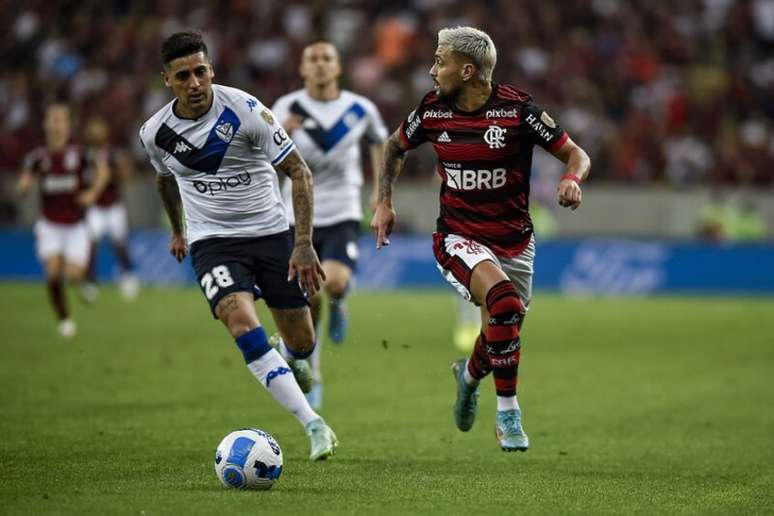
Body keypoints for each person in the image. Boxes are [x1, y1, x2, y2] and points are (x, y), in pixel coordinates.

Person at [371, 26, 591, 452]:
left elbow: (576, 154)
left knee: (502, 331)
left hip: (515, 240)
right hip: (458, 236)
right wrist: (383, 202)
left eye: (441, 62)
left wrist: (571, 179)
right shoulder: (432, 111)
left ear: (468, 70)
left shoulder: (518, 112)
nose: (433, 71)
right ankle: (508, 413)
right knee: (504, 303)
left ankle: (468, 377)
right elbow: (393, 147)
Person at [138, 31, 337, 461]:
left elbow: (299, 172)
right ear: (167, 81)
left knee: (302, 342)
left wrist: (302, 243)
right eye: (183, 75)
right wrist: (178, 230)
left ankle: (289, 357)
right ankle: (313, 424)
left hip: (270, 234)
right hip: (213, 242)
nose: (195, 82)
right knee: (242, 324)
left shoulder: (246, 111)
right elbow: (164, 178)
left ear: (211, 71)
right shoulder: (156, 133)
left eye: (201, 72)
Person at [271, 40, 388, 409]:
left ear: (338, 68)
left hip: (342, 212)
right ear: (303, 69)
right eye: (313, 60)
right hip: (297, 216)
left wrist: (380, 193)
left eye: (327, 59)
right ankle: (313, 369)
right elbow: (266, 159)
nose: (320, 65)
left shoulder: (359, 108)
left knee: (334, 283)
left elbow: (380, 144)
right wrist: (282, 134)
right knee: (310, 298)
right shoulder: (285, 108)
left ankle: (340, 302)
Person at [17, 102, 110, 338]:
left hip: (76, 225)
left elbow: (104, 171)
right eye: (53, 120)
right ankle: (64, 319)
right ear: (46, 124)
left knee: (73, 275)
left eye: (61, 120)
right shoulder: (37, 157)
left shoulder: (79, 153)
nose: (56, 125)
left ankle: (83, 281)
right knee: (52, 273)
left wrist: (92, 193)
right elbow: (24, 180)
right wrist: (23, 186)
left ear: (68, 125)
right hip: (49, 224)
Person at [82, 116, 140, 302]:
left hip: (113, 205)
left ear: (104, 134)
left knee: (120, 244)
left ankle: (128, 278)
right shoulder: (84, 156)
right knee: (90, 245)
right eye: (93, 131)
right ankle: (90, 282)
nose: (96, 135)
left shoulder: (113, 154)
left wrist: (121, 168)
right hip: (96, 208)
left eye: (99, 131)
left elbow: (128, 174)